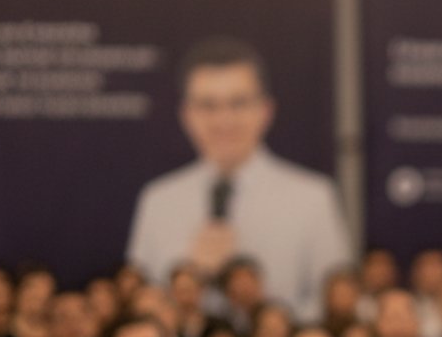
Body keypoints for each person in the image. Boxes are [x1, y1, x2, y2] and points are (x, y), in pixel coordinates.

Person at [126, 37, 352, 315]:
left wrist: (262, 316)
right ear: (187, 115)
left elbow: (335, 304)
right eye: (208, 105)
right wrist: (193, 278)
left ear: (265, 110)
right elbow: (138, 304)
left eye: (238, 103)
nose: (224, 121)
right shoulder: (158, 200)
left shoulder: (313, 198)